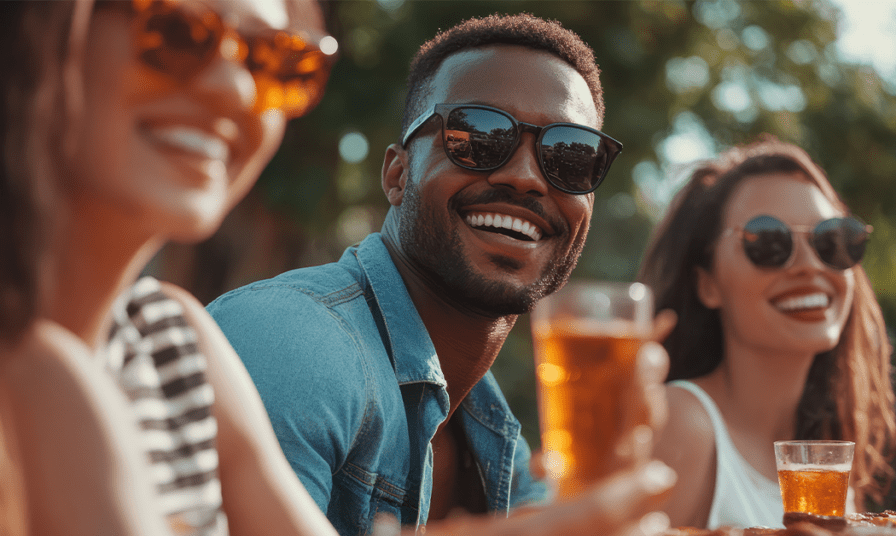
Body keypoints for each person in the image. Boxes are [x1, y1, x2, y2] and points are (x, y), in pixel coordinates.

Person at [0, 3, 674, 536]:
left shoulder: (178, 345)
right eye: (176, 30)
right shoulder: (289, 341)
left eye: (276, 58)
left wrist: (603, 493)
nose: (235, 86)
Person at [207, 12, 675, 536]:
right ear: (397, 173)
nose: (524, 177)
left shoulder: (494, 436)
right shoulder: (293, 339)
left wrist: (604, 489)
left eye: (571, 156)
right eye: (479, 134)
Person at [637, 138, 896, 529]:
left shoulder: (824, 462)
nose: (809, 265)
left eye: (831, 240)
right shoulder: (682, 422)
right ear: (707, 282)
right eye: (769, 241)